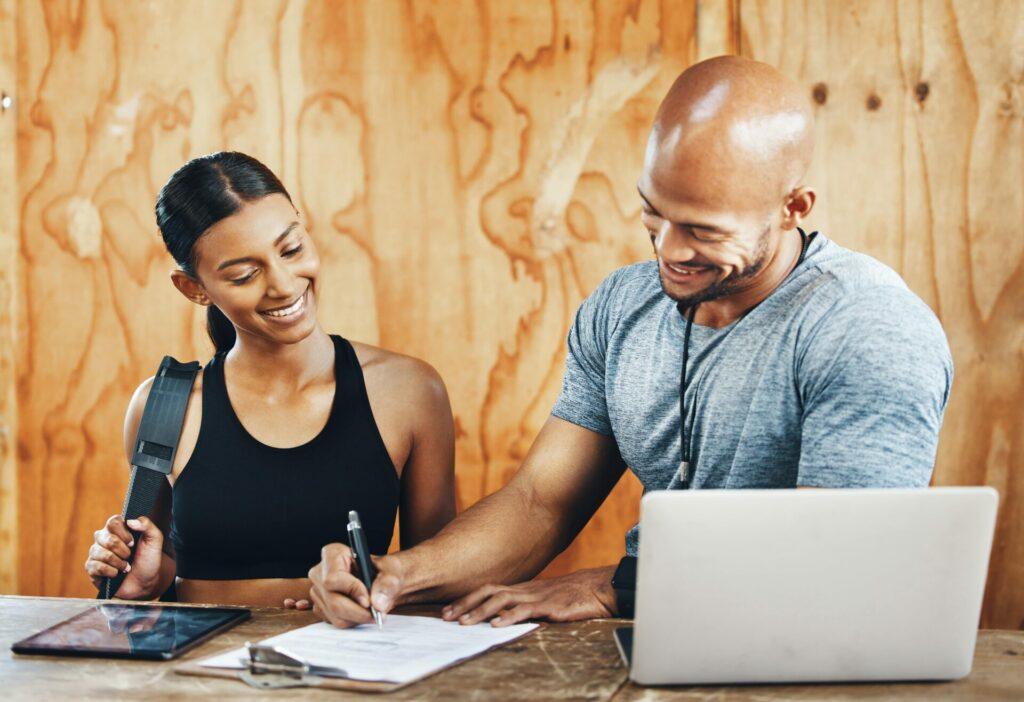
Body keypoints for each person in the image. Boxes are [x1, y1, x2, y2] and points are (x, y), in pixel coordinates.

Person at [306, 55, 953, 629]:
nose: (668, 251)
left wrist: (619, 588)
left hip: (812, 658)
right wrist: (396, 576)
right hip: (668, 636)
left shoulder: (867, 328)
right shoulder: (622, 308)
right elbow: (541, 501)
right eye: (653, 212)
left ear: (794, 207)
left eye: (701, 229)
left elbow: (840, 556)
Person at [84, 152, 456, 608]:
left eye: (292, 248)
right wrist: (142, 582)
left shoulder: (411, 392)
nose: (282, 284)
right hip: (199, 675)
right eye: (244, 274)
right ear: (194, 289)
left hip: (352, 668)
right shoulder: (162, 406)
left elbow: (440, 578)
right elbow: (150, 578)